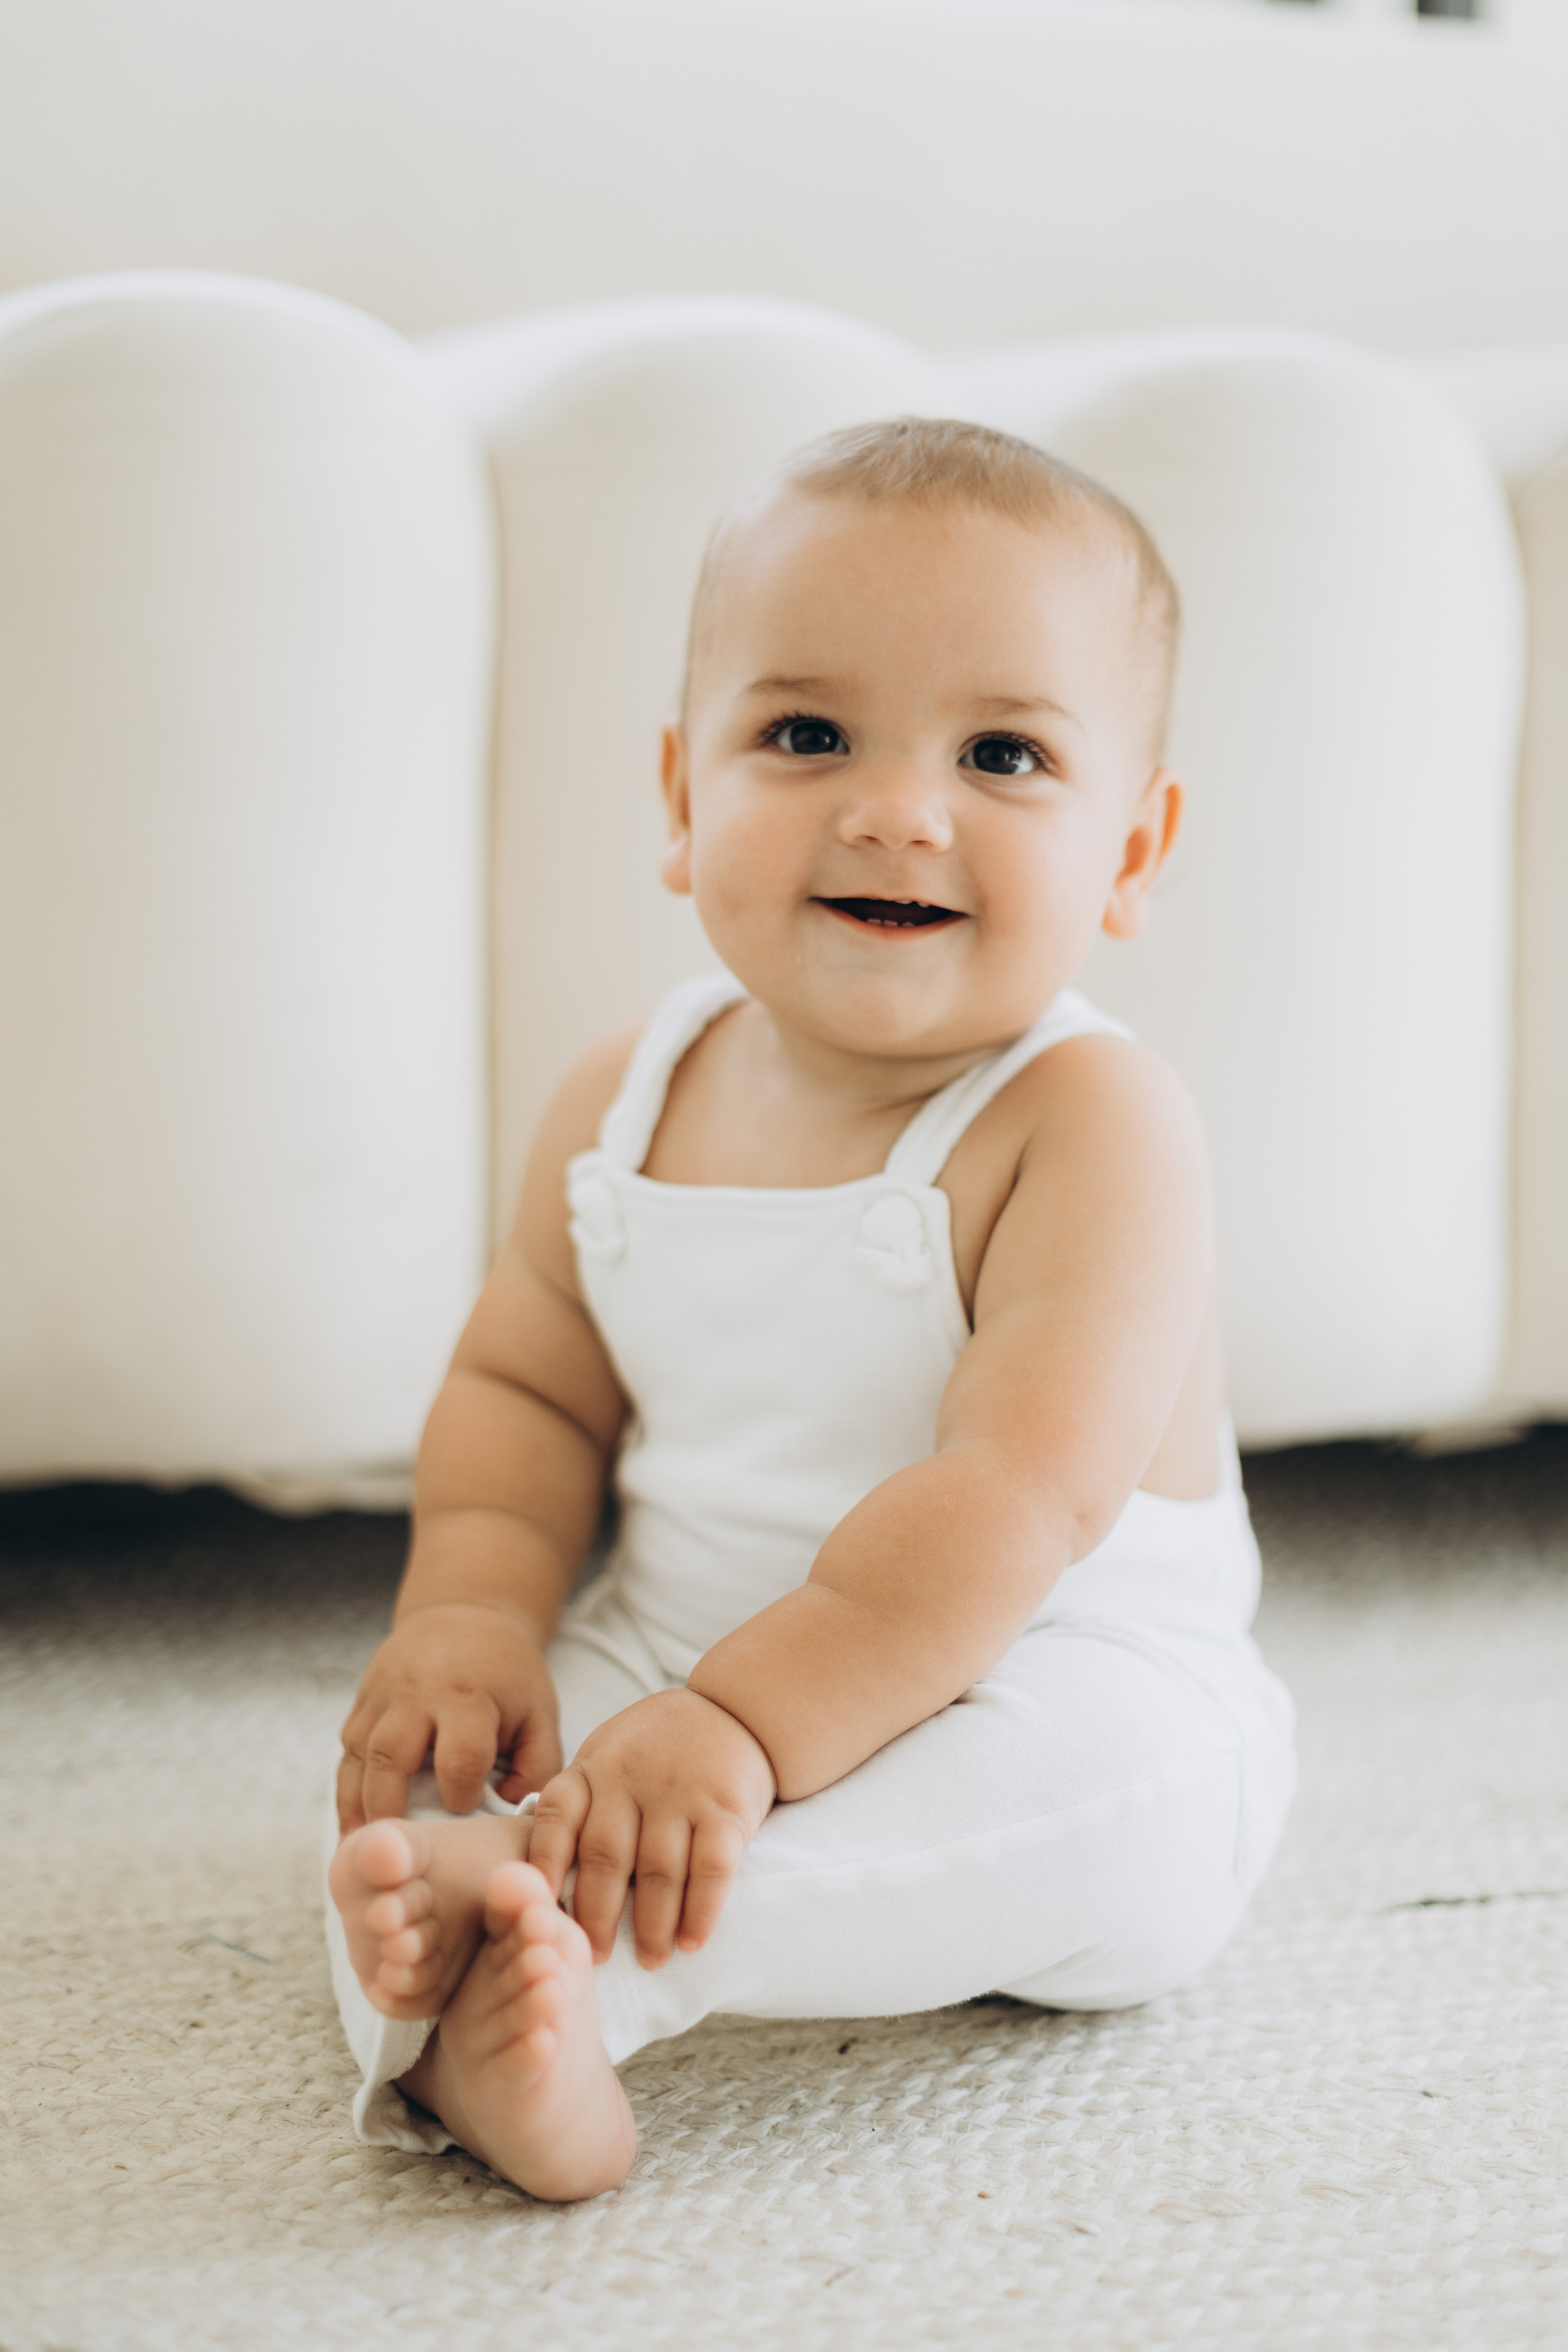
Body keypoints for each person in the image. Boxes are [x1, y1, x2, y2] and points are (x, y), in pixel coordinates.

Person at [326, 416, 1296, 2203]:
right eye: (806, 734)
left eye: (1004, 753)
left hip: (1036, 1669)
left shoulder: (1094, 1126)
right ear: (686, 804)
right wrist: (470, 1615)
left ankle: (607, 1956)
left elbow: (1016, 1499)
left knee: (1130, 1802)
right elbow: (528, 1395)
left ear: (1133, 852)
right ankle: (503, 1949)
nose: (896, 808)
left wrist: (751, 1738)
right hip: (684, 1658)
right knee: (399, 1811)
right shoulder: (627, 1091)